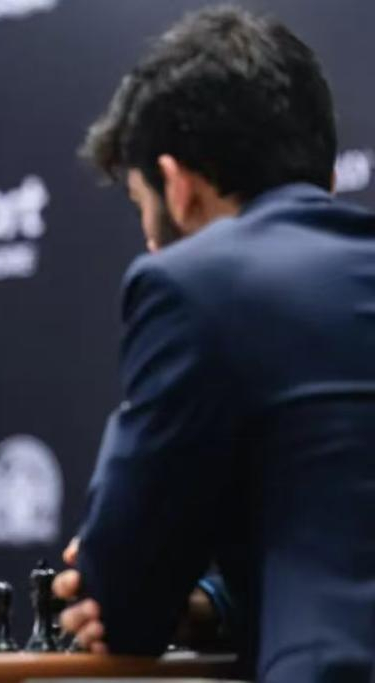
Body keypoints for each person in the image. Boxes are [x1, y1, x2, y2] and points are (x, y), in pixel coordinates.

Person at [52, 6, 375, 682]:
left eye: (142, 205)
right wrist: (214, 603)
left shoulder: (193, 285)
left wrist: (134, 587)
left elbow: (122, 601)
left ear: (179, 187)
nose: (151, 240)